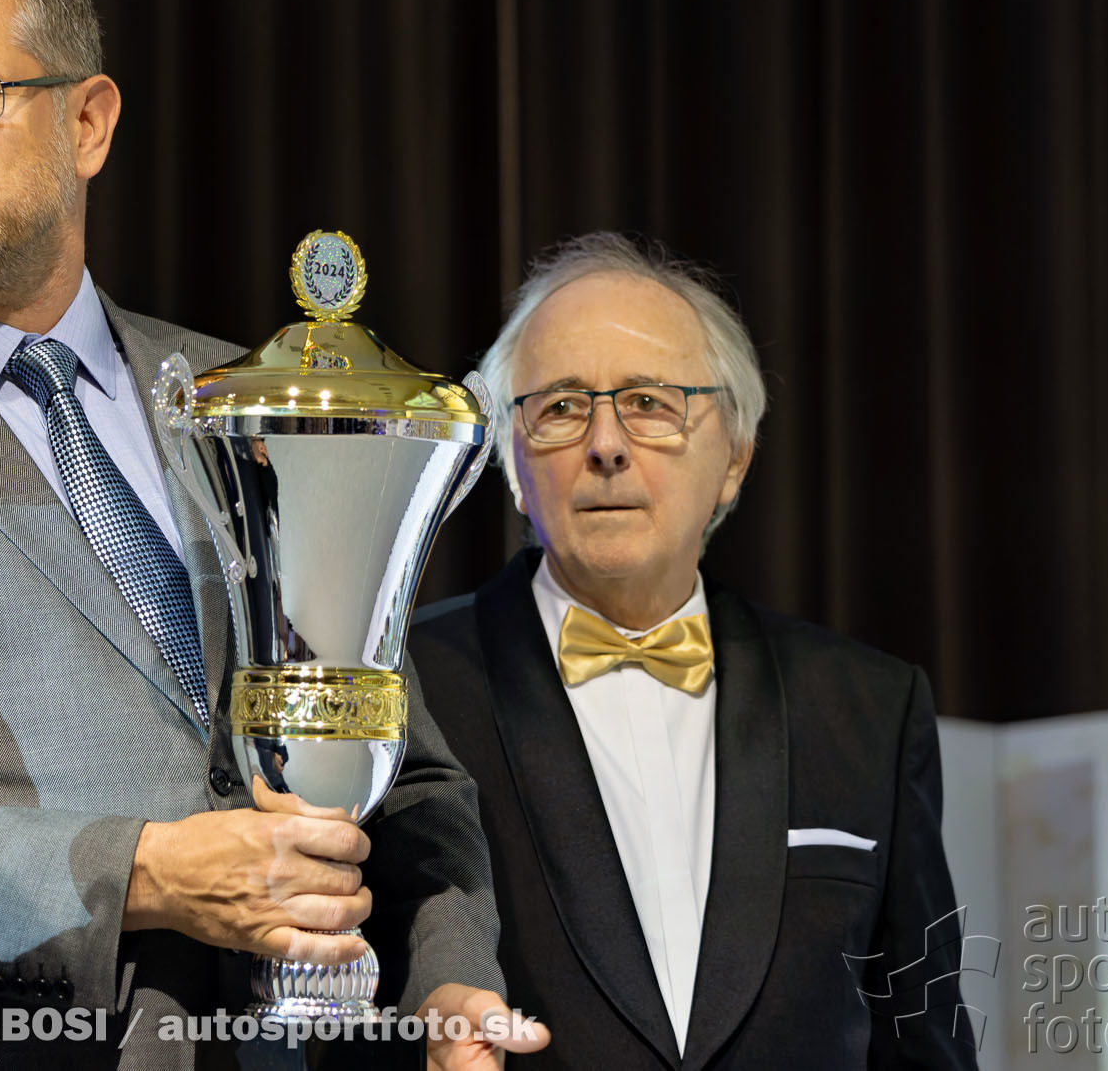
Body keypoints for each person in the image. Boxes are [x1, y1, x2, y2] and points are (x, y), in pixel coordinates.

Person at [0, 0, 545, 1069]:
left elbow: (393, 759)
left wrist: (449, 977)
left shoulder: (246, 399)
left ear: (88, 123)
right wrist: (140, 877)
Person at [406, 233, 979, 1070]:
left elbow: (924, 1039)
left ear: (735, 458)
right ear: (510, 461)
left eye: (649, 401)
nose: (605, 444)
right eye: (561, 406)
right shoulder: (407, 685)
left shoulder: (868, 708)